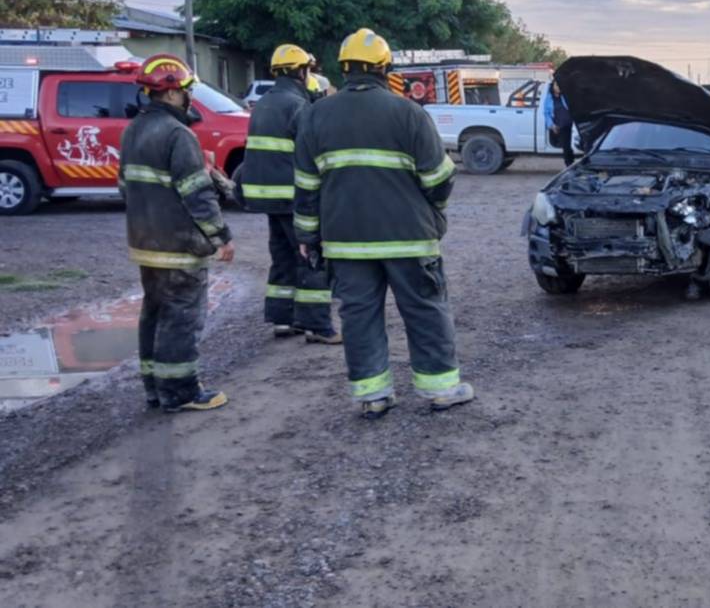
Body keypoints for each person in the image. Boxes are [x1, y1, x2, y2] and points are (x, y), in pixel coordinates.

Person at [294, 28, 472, 419]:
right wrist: (433, 212)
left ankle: (372, 396)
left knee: (359, 316)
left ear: (344, 69)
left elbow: (306, 187)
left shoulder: (314, 116)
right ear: (384, 68)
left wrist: (307, 235)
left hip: (345, 242)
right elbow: (439, 179)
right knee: (425, 310)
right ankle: (441, 390)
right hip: (409, 238)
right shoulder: (408, 112)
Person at [119, 54, 233, 412]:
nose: (188, 97)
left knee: (154, 314)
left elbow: (125, 186)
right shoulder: (177, 134)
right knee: (181, 317)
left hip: (145, 245)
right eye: (185, 90)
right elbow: (197, 194)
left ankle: (155, 389)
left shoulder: (132, 130)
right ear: (169, 94)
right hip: (178, 247)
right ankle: (180, 391)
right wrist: (221, 236)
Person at [243, 43, 340, 344]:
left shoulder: (266, 102)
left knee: (283, 257)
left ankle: (284, 320)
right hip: (293, 196)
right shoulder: (298, 106)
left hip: (268, 198)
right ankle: (317, 326)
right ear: (301, 71)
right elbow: (314, 149)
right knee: (311, 257)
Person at [543, 80, 575, 167]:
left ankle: (571, 164)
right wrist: (551, 125)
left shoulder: (565, 96)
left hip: (570, 124)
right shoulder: (549, 98)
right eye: (557, 85)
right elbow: (546, 113)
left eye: (560, 85)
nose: (558, 87)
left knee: (569, 146)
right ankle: (569, 165)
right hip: (559, 125)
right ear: (553, 87)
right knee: (566, 146)